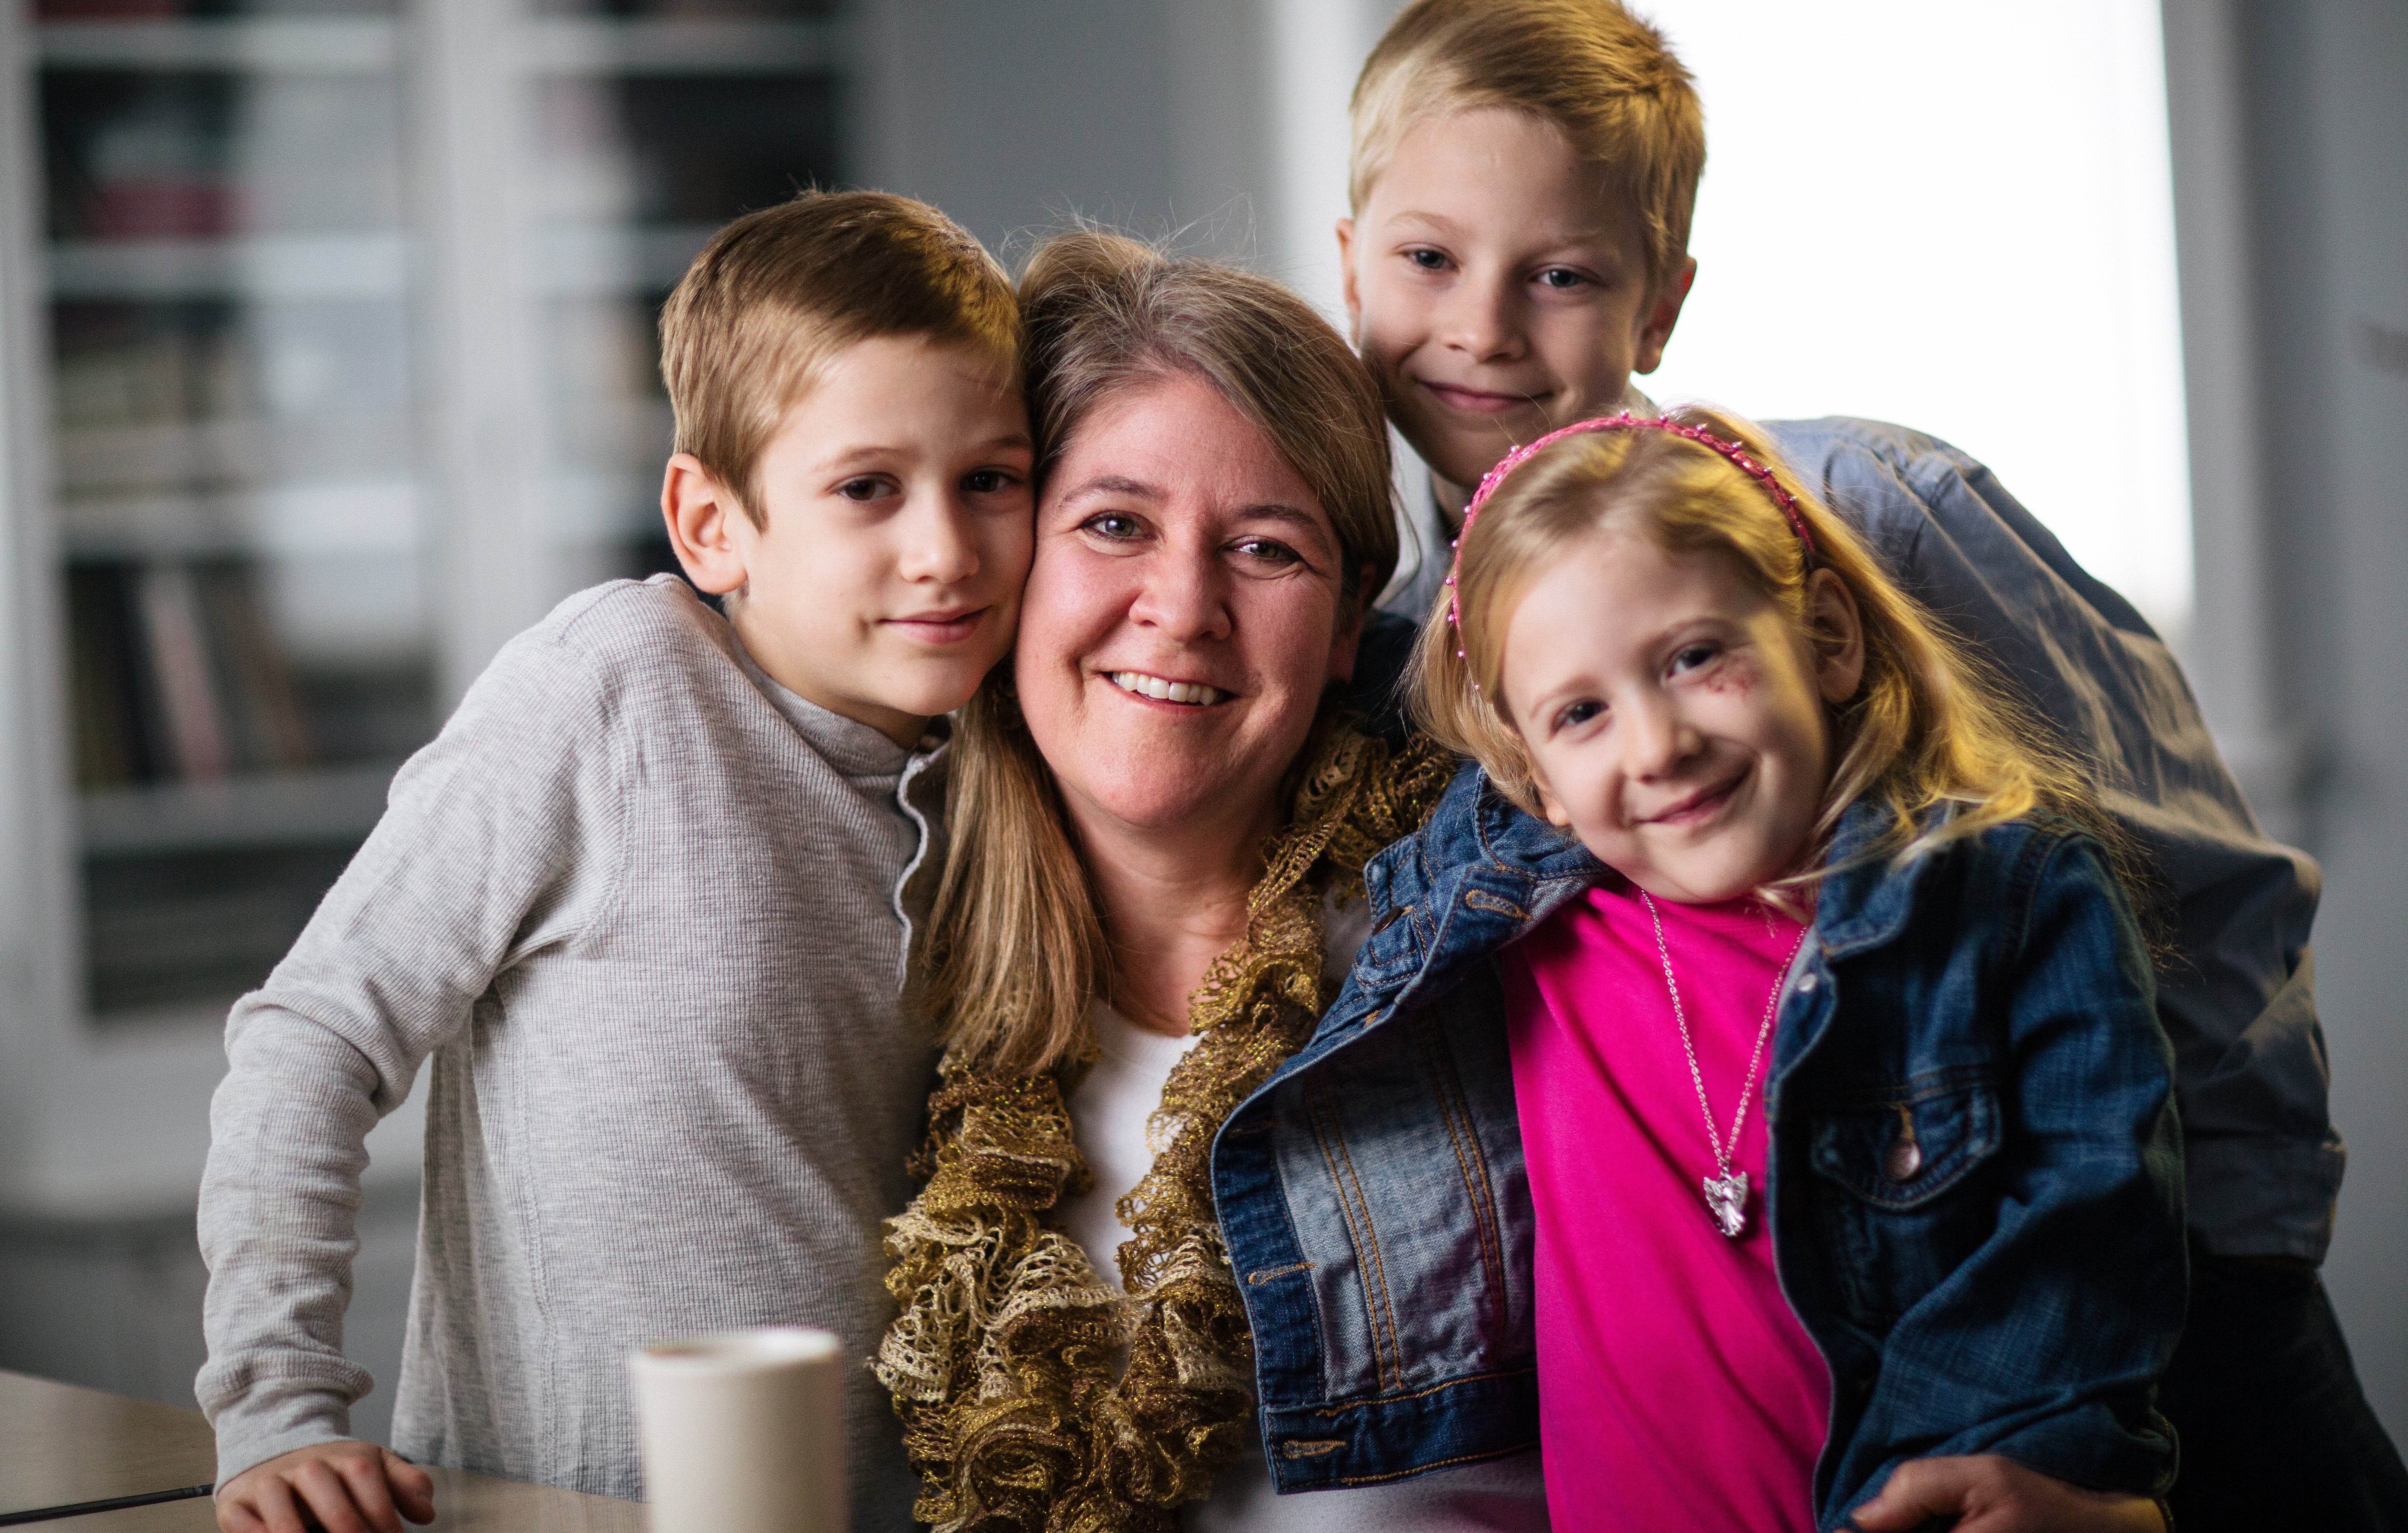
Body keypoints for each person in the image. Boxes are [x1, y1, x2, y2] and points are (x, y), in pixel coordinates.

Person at [1324, 0, 2403, 1528]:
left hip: (2150, 1295)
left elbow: (2190, 893)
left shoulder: (1869, 517)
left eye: (1559, 275)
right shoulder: (1398, 650)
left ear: (1660, 305)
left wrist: (2225, 1296)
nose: (1482, 326)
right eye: (1429, 260)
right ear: (1351, 260)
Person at [195, 191, 1034, 1533]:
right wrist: (275, 1412)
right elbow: (311, 1039)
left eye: (991, 480)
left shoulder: (1010, 779)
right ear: (711, 525)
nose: (945, 550)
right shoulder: (612, 689)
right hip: (554, 1511)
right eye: (867, 488)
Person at [872, 231, 1542, 1531]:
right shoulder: (891, 957)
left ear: (1348, 620)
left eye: (1267, 550)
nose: (1182, 607)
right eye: (1114, 524)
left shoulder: (1493, 929)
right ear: (1007, 562)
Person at [1430, 407, 2185, 1527]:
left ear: (1827, 636)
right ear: (1534, 777)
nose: (1657, 746)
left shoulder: (2002, 904)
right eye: (1581, 713)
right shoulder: (1529, 926)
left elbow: (2087, 1234)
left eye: (1696, 658)